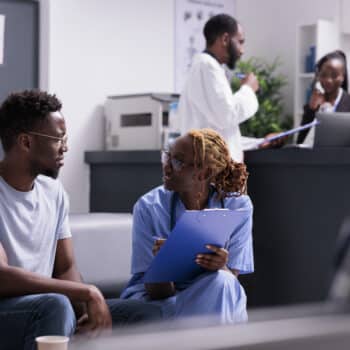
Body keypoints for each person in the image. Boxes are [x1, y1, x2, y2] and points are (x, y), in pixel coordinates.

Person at [0, 90, 161, 350]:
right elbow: (2, 276)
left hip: (51, 309)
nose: (65, 146)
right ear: (26, 142)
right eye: (58, 138)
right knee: (55, 304)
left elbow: (65, 268)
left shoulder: (54, 193)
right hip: (11, 313)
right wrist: (86, 292)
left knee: (146, 315)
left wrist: (87, 309)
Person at [121, 128, 254, 324]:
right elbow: (157, 292)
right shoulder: (149, 207)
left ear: (204, 173)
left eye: (177, 162)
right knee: (218, 293)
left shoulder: (238, 206)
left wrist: (221, 265)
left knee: (222, 282)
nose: (167, 167)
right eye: (167, 156)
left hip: (217, 294)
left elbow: (230, 278)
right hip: (163, 299)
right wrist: (164, 265)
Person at [178, 14, 280, 162]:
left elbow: (224, 136)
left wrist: (260, 142)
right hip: (209, 175)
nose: (242, 50)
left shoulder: (205, 67)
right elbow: (227, 115)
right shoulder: (207, 66)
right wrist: (248, 89)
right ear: (225, 39)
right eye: (240, 42)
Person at [297, 50, 350, 144]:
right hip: (316, 157)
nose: (328, 80)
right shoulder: (314, 103)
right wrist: (311, 110)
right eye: (323, 75)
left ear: (343, 77)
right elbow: (300, 141)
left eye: (334, 75)